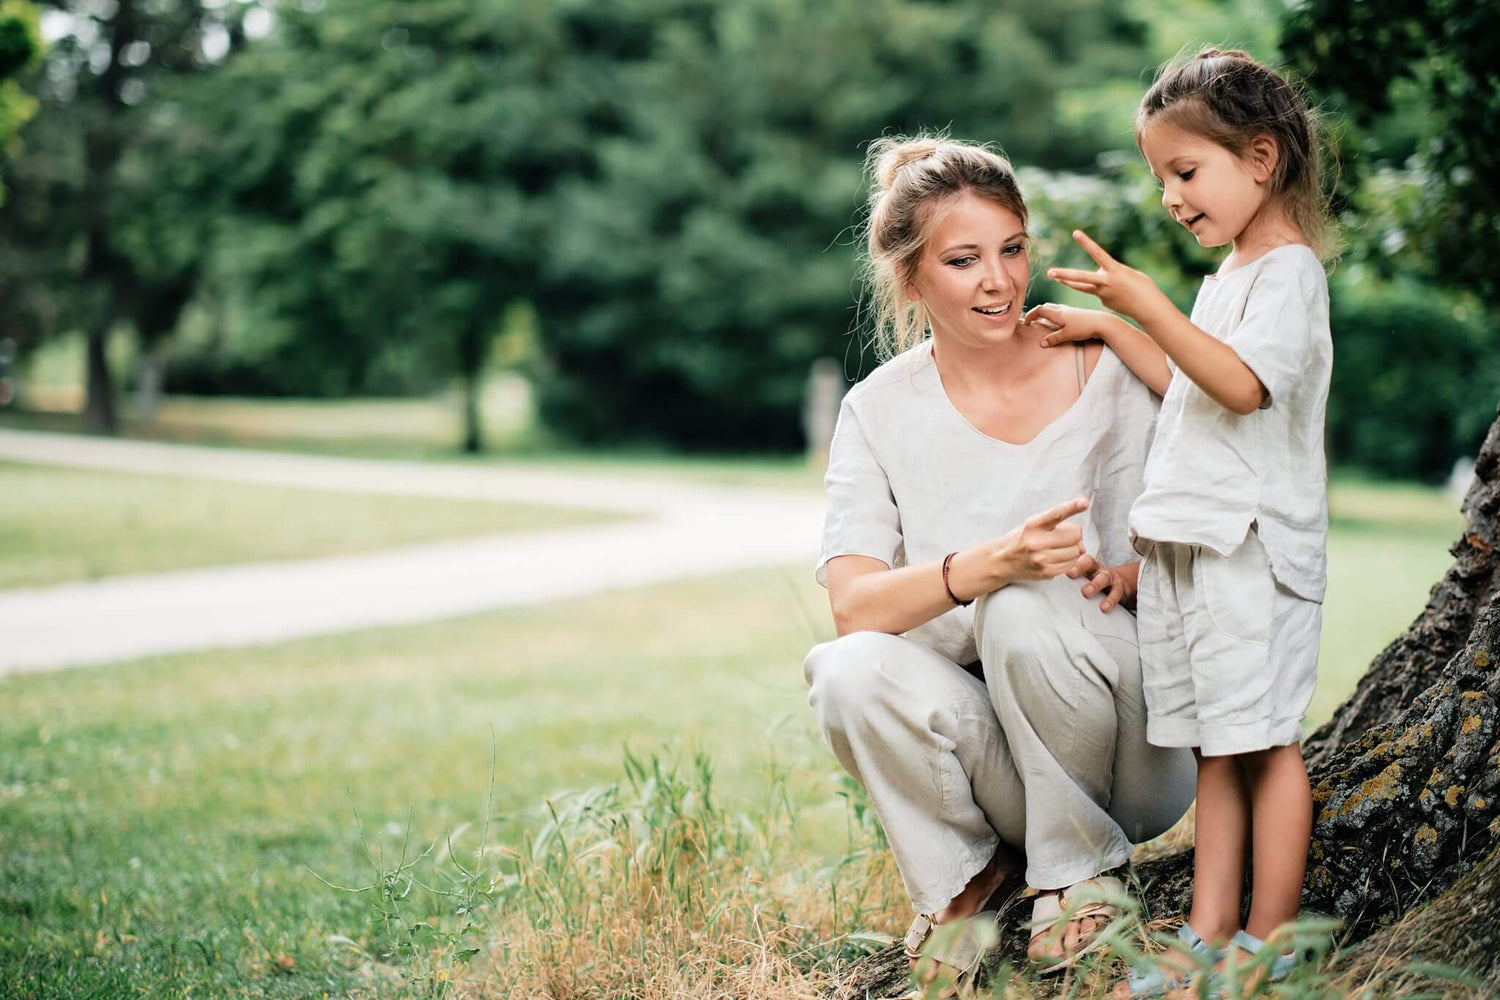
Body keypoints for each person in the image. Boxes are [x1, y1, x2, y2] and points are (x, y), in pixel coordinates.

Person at [803, 134, 1197, 988]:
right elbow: (852, 604)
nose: (999, 280)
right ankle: (966, 879)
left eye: (1013, 249)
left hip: (1137, 743)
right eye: (964, 259)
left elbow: (1237, 422)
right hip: (1001, 765)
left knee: (1025, 602)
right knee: (844, 670)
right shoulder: (877, 411)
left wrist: (1128, 327)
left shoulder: (1106, 363)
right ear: (911, 279)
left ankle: (1082, 874)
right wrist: (984, 563)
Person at [1036, 49, 1336, 997]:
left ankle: (1274, 936)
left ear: (1260, 157)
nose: (1170, 196)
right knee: (1216, 742)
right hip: (1196, 552)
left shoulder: (1288, 276)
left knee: (1266, 743)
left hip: (1251, 553)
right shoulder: (1230, 276)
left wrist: (1147, 304)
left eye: (1185, 171)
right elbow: (1191, 390)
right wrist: (1117, 330)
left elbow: (1243, 386)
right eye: (1161, 176)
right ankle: (1210, 926)